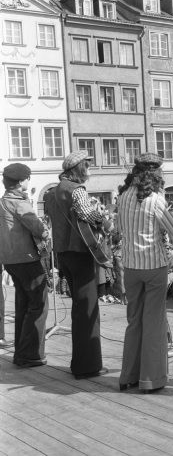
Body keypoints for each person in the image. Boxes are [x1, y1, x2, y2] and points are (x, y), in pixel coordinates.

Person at [45, 151, 108, 379]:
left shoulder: (53, 192)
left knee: (79, 307)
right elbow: (86, 215)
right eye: (87, 165)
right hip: (80, 253)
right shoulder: (76, 190)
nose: (89, 168)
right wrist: (102, 217)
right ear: (78, 169)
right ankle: (87, 366)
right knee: (88, 310)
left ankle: (80, 363)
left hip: (63, 253)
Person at [116, 153, 173, 393]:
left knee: (134, 322)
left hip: (130, 266)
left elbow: (120, 229)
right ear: (156, 173)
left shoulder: (122, 197)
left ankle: (127, 376)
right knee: (154, 323)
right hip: (154, 266)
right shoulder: (157, 200)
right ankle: (151, 379)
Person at [0, 164, 48, 366]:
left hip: (10, 260)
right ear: (20, 182)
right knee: (38, 305)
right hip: (27, 259)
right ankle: (29, 355)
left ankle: (21, 352)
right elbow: (38, 228)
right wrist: (46, 231)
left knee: (23, 305)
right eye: (28, 178)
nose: (29, 181)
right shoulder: (19, 203)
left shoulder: (2, 201)